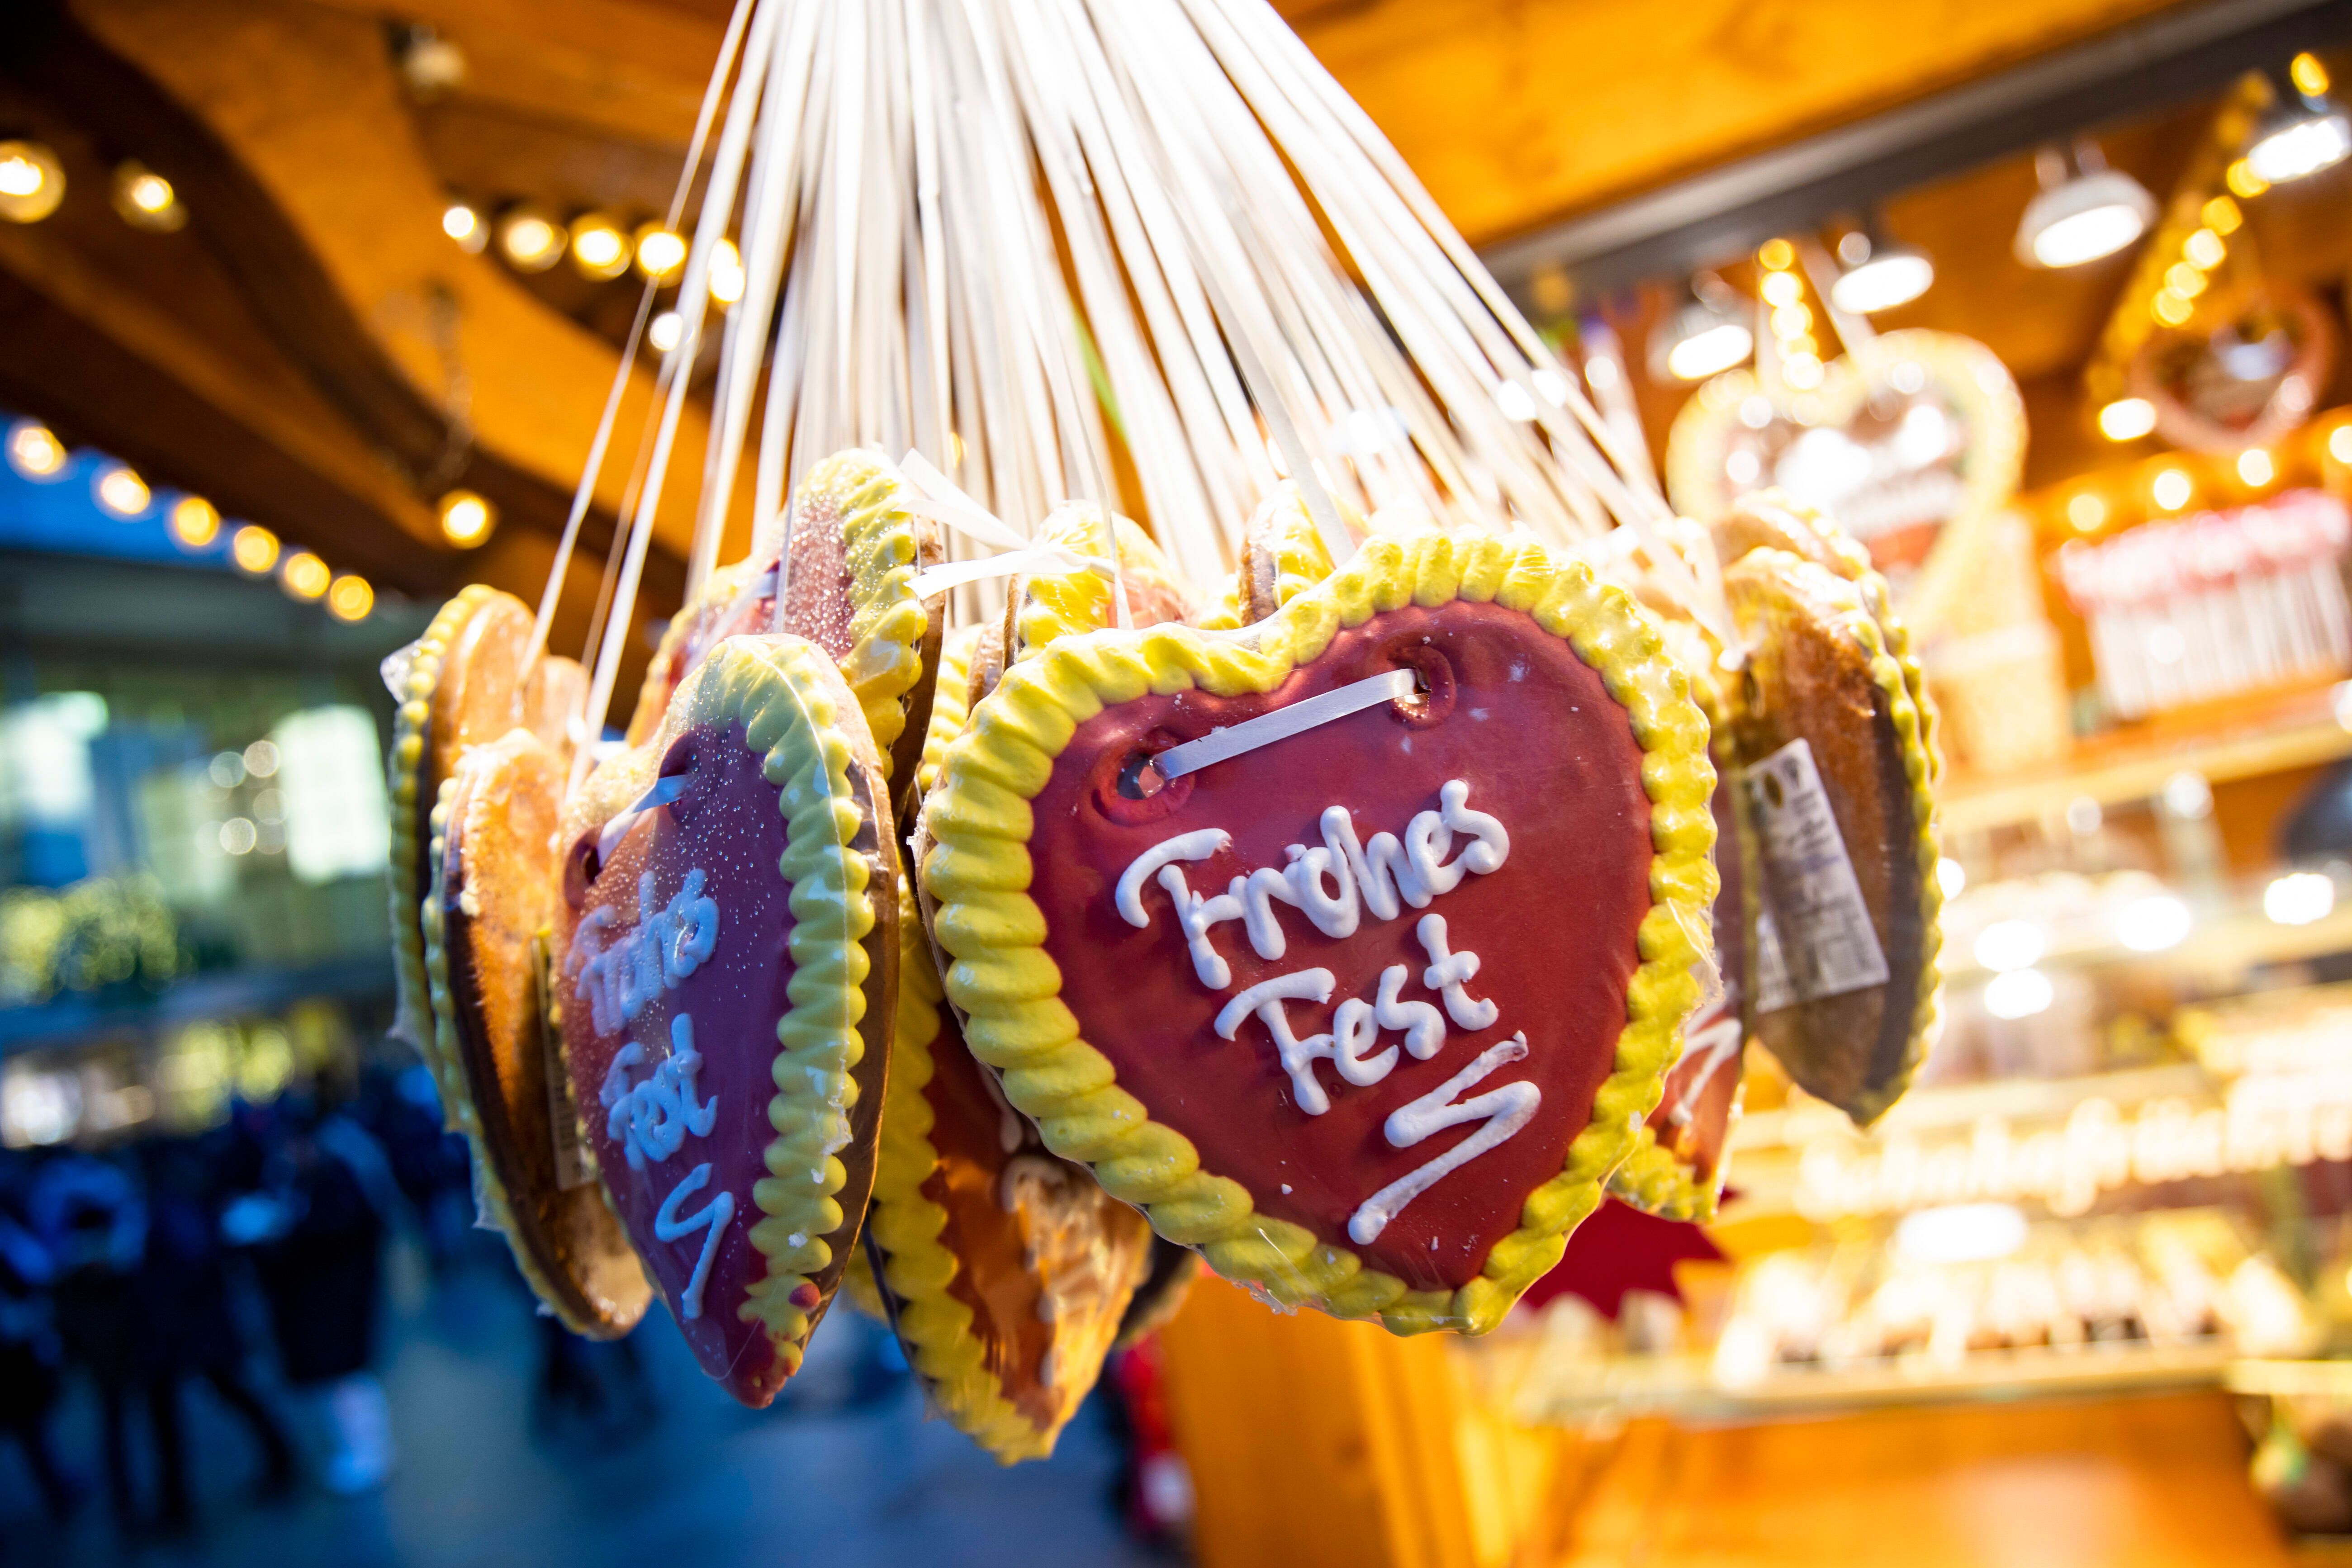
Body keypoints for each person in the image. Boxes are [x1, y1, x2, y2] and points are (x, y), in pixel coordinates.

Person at [241, 1102, 399, 1495]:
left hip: (340, 1300)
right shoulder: (308, 1177)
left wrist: (282, 1236)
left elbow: (343, 1231)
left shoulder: (336, 1176)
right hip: (328, 1301)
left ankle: (371, 1452)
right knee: (340, 1381)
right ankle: (361, 1450)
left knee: (348, 1379)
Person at [139, 1136, 296, 1522]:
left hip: (187, 1328)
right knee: (221, 1397)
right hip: (195, 1326)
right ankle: (277, 1460)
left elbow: (191, 1259)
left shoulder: (169, 1201)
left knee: (207, 1401)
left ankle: (178, 1503)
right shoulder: (184, 1190)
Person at [30, 1150, 152, 1530]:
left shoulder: (58, 1192)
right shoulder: (88, 1188)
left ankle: (130, 1504)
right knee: (122, 1415)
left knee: (121, 1415)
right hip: (107, 1323)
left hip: (112, 1320)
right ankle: (128, 1504)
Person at [0, 1157, 76, 1525]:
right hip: (12, 1346)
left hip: (14, 1342)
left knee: (30, 1427)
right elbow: (36, 1266)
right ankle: (56, 1492)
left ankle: (56, 1491)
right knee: (30, 1426)